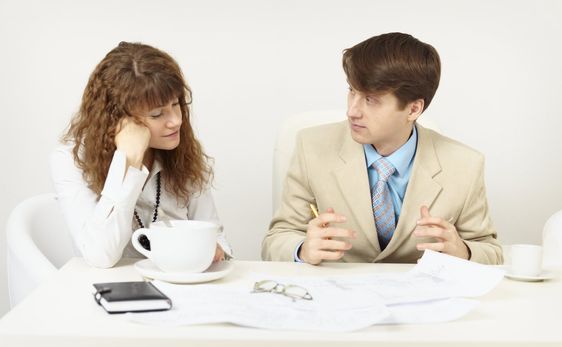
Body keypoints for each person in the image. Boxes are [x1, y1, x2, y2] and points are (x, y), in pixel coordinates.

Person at [262, 32, 503, 265]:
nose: (352, 111)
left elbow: (491, 252)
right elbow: (276, 240)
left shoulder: (465, 164)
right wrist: (302, 249)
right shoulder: (311, 146)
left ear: (413, 109)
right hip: (336, 293)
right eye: (352, 91)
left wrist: (464, 251)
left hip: (420, 298)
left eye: (370, 100)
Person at [50, 42, 232, 268]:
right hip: (110, 292)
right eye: (157, 114)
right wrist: (128, 161)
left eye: (176, 104)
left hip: (183, 286)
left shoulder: (182, 152)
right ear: (117, 120)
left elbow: (217, 238)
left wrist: (213, 249)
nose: (175, 120)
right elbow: (100, 256)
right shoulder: (71, 160)